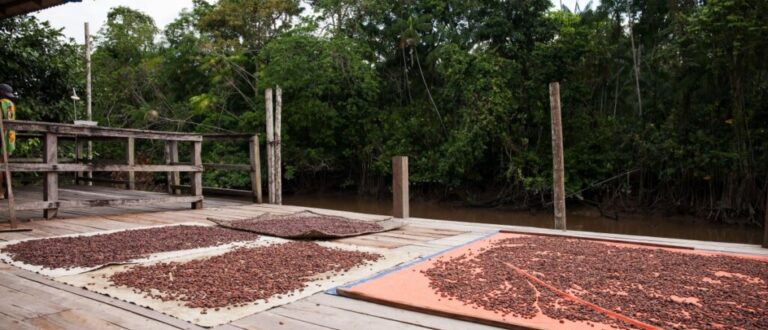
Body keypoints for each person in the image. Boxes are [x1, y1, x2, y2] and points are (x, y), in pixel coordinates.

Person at [0, 84, 17, 199]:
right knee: (6, 165)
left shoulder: (1, 103)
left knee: (0, 165)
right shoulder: (11, 104)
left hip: (1, 136)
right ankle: (8, 192)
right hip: (10, 138)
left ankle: (0, 192)